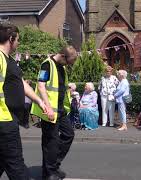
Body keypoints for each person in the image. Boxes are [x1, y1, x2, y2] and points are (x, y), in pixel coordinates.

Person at [0, 22, 47, 180]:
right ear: (11, 39)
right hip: (3, 121)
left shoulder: (9, 60)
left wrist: (40, 101)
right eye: (18, 39)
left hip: (9, 118)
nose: (19, 43)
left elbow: (20, 83)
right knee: (17, 167)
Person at [31, 45, 78, 180]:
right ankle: (49, 173)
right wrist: (48, 107)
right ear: (63, 56)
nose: (68, 65)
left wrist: (69, 86)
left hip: (60, 111)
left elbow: (58, 86)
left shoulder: (62, 67)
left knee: (68, 135)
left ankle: (52, 165)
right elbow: (41, 86)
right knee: (50, 142)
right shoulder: (47, 65)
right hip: (49, 111)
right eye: (68, 62)